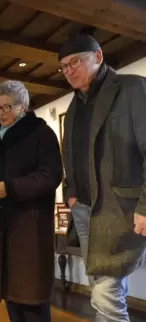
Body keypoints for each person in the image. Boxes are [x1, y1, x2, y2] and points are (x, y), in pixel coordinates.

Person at [60, 33, 146, 322]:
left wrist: (145, 207)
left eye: (75, 62)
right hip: (83, 210)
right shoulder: (73, 108)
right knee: (101, 286)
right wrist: (70, 196)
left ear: (98, 57)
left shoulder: (132, 88)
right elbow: (70, 157)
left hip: (121, 210)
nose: (69, 70)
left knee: (105, 293)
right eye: (63, 66)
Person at [0, 80, 62, 322]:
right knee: (12, 299)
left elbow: (50, 176)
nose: (2, 113)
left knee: (31, 300)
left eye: (8, 107)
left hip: (28, 229)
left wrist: (10, 187)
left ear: (23, 106)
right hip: (1, 228)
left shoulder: (41, 134)